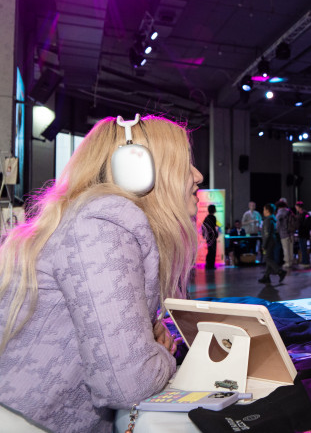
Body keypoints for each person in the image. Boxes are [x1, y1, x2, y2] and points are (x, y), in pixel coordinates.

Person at [0, 115, 201, 432]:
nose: (198, 176)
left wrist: (143, 334)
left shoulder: (92, 220)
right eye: (184, 163)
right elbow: (128, 385)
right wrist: (159, 354)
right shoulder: (101, 227)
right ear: (138, 172)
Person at [258, 203, 286, 284]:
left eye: (264, 209)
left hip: (269, 242)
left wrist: (264, 245)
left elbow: (267, 234)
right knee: (269, 258)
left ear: (267, 210)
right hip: (272, 241)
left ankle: (280, 271)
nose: (263, 211)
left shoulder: (267, 220)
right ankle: (266, 276)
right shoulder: (272, 219)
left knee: (267, 258)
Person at [276, 200, 296, 269]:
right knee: (291, 248)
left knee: (285, 249)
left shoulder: (280, 213)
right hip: (291, 233)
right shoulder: (290, 211)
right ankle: (291, 261)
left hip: (284, 233)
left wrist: (276, 231)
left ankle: (287, 263)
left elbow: (277, 224)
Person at [295, 201, 311, 267]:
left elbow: (302, 224)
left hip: (302, 233)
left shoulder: (302, 214)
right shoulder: (306, 213)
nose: (296, 208)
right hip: (305, 233)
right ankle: (304, 261)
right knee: (303, 248)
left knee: (303, 248)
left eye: (296, 206)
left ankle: (305, 262)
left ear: (298, 207)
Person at [202, 204, 219, 270]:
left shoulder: (207, 218)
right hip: (212, 237)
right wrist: (216, 234)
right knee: (212, 251)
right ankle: (211, 265)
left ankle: (208, 264)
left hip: (208, 237)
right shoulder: (213, 217)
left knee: (210, 250)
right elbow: (213, 228)